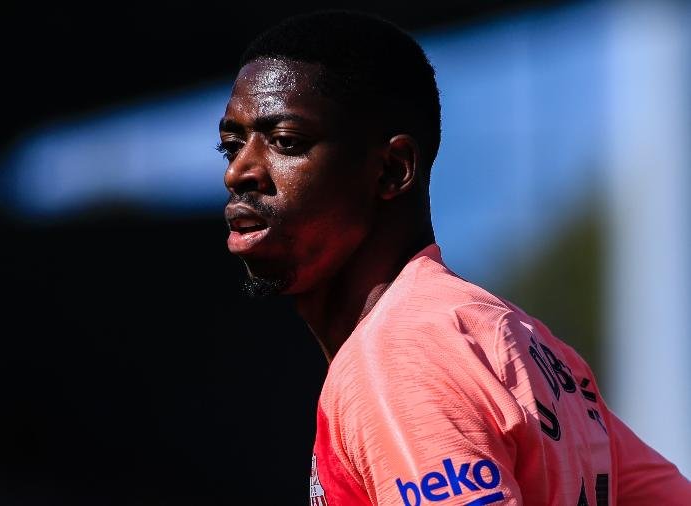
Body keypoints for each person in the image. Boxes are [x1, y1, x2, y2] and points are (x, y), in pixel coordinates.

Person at [217, 10, 691, 506]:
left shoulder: (399, 358)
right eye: (230, 146)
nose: (239, 172)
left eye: (286, 142)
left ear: (392, 170)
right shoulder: (525, 345)